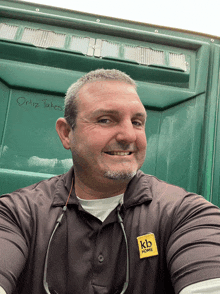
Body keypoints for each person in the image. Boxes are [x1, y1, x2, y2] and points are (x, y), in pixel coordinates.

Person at [0, 68, 220, 294]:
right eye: (105, 120)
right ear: (67, 133)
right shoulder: (17, 214)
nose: (128, 136)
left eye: (137, 122)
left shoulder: (187, 214)